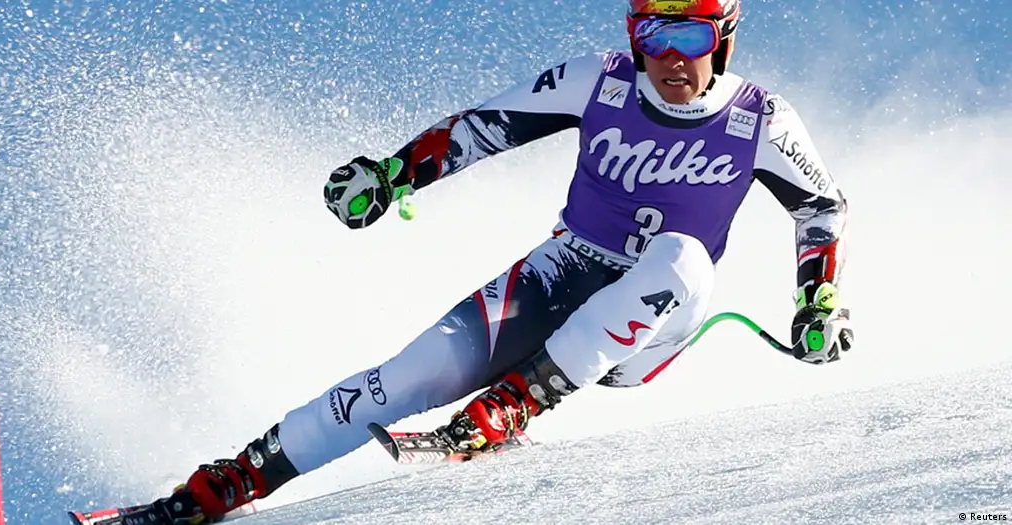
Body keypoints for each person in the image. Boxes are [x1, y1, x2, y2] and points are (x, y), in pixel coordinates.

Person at [183, 0, 853, 521]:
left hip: (649, 325)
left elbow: (822, 208)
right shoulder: (599, 79)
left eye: (691, 37)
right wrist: (393, 174)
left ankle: (515, 404)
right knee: (408, 375)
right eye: (654, 37)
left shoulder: (761, 119)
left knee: (683, 256)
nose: (672, 58)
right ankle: (235, 479)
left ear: (723, 39)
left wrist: (817, 302)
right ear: (634, 38)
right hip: (562, 274)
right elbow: (483, 126)